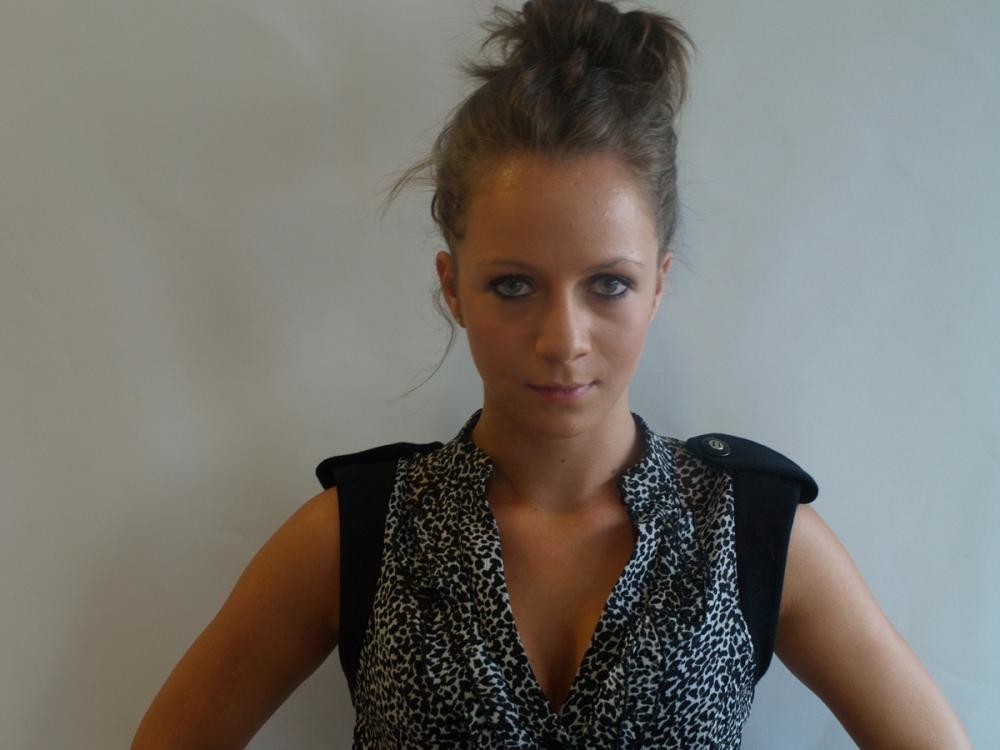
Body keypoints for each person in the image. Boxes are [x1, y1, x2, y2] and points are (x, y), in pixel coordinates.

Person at [131, 1, 973, 748]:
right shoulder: (359, 536)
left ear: (659, 285)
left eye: (608, 284)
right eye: (513, 286)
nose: (563, 339)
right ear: (453, 287)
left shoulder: (756, 536)